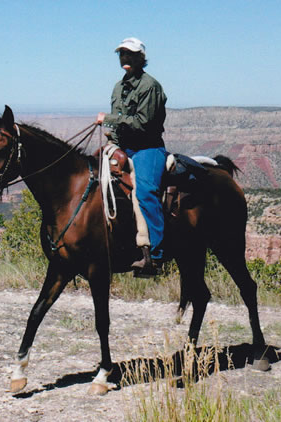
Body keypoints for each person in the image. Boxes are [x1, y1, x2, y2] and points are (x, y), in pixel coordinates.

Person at [96, 37, 168, 277]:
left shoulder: (150, 86)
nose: (125, 58)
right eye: (122, 54)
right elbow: (119, 120)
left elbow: (142, 123)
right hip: (123, 146)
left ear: (141, 58)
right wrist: (111, 137)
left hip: (148, 148)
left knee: (145, 191)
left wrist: (108, 119)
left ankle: (155, 255)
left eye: (130, 54)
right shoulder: (118, 87)